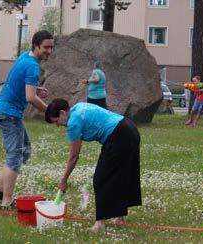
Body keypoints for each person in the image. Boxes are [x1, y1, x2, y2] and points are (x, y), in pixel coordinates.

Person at [45, 98, 142, 232]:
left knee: (100, 179)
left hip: (118, 134)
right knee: (121, 174)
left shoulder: (73, 123)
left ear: (62, 113)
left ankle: (100, 223)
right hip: (129, 128)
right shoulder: (78, 107)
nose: (58, 125)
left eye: (56, 121)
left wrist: (64, 180)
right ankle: (119, 218)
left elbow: (73, 157)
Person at [0, 30, 54, 209]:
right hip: (8, 114)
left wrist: (36, 88)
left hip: (5, 111)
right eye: (46, 47)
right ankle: (6, 201)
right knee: (16, 155)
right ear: (36, 45)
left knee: (24, 151)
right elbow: (30, 98)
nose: (49, 51)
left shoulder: (25, 57)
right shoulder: (33, 66)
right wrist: (50, 111)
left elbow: (17, 82)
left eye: (51, 47)